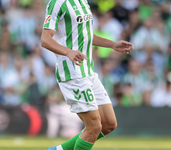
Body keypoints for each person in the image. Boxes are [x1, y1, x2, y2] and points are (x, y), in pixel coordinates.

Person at [41, 0, 134, 150]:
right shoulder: (57, 3)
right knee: (94, 127)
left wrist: (112, 44)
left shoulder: (83, 1)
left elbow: (86, 34)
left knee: (109, 124)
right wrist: (68, 51)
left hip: (88, 71)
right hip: (72, 72)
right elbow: (45, 39)